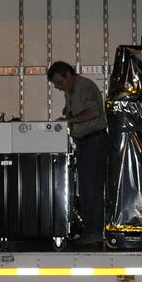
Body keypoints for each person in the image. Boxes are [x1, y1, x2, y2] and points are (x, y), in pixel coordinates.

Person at [47, 61, 109, 246]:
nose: (59, 87)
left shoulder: (85, 87)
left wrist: (69, 120)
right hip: (85, 143)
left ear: (68, 74)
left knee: (92, 189)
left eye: (60, 82)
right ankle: (91, 231)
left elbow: (95, 112)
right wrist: (68, 115)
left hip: (94, 142)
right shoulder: (71, 90)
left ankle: (94, 233)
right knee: (86, 189)